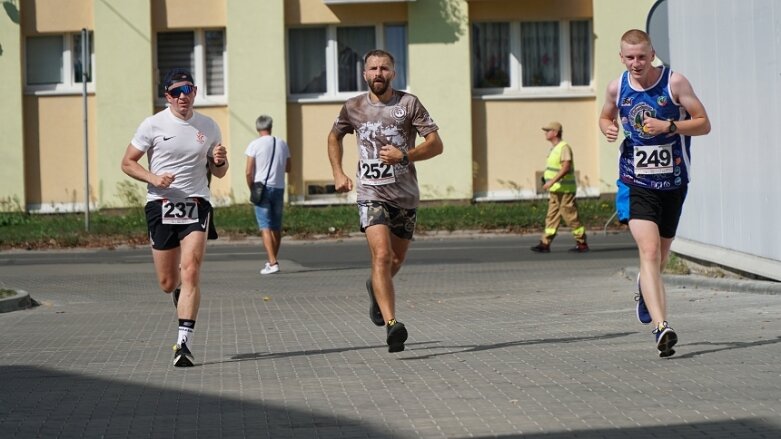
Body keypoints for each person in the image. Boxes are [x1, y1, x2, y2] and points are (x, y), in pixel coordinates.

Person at [598, 29, 710, 358]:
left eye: (642, 57)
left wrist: (670, 126)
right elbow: (605, 115)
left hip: (674, 181)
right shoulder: (617, 87)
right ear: (621, 58)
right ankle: (662, 327)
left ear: (652, 55)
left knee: (660, 258)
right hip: (636, 181)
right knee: (648, 253)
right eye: (630, 57)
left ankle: (644, 289)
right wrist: (607, 126)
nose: (636, 63)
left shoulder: (675, 83)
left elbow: (703, 123)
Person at [327, 49, 443, 353]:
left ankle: (374, 287)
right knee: (380, 256)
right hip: (370, 193)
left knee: (394, 261)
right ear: (365, 74)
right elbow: (334, 136)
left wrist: (405, 154)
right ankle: (393, 325)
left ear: (393, 72)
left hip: (405, 195)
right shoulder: (352, 107)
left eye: (385, 68)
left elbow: (436, 144)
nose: (378, 73)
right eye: (373, 68)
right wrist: (338, 172)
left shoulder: (408, 104)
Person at [121, 68, 229, 367]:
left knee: (191, 269)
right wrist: (154, 178)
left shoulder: (208, 126)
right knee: (169, 282)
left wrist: (219, 161)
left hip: (196, 201)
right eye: (176, 92)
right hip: (161, 204)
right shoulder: (152, 125)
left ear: (195, 92)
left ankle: (183, 344)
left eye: (189, 90)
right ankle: (179, 295)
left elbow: (218, 171)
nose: (184, 97)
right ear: (167, 96)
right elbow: (127, 163)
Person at [530, 121, 589, 253]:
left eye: (548, 130)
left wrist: (552, 182)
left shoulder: (563, 147)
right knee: (552, 216)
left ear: (555, 132)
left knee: (570, 216)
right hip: (556, 190)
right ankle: (545, 243)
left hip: (564, 190)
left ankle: (582, 243)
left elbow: (566, 167)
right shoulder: (555, 148)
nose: (545, 133)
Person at [245, 115, 291, 275]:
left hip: (262, 188)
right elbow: (288, 168)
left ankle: (272, 262)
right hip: (278, 187)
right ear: (271, 126)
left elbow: (249, 171)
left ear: (258, 128)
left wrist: (252, 188)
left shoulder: (254, 145)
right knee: (276, 226)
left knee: (265, 226)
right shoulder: (282, 143)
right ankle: (273, 260)